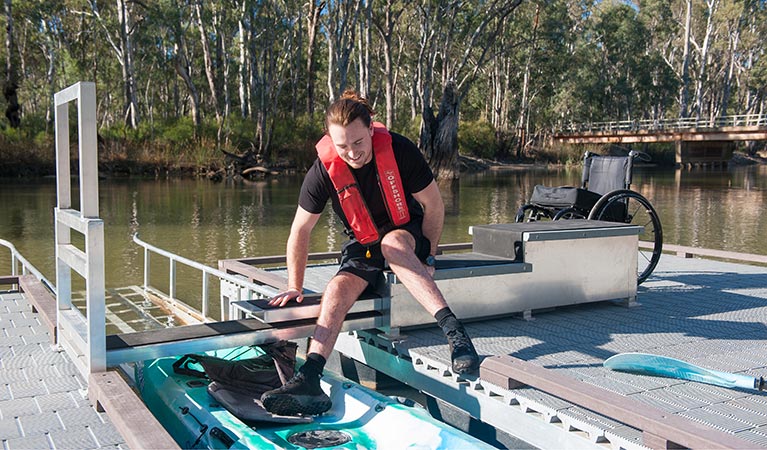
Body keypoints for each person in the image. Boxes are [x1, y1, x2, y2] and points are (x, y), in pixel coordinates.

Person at [260, 90, 479, 417]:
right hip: (363, 244)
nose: (351, 153)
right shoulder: (323, 170)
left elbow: (433, 205)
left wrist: (428, 256)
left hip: (406, 231)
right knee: (335, 288)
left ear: (371, 130)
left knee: (392, 244)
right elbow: (300, 230)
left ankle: (455, 334)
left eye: (358, 143)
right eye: (342, 146)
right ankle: (310, 377)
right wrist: (295, 284)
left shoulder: (400, 150)